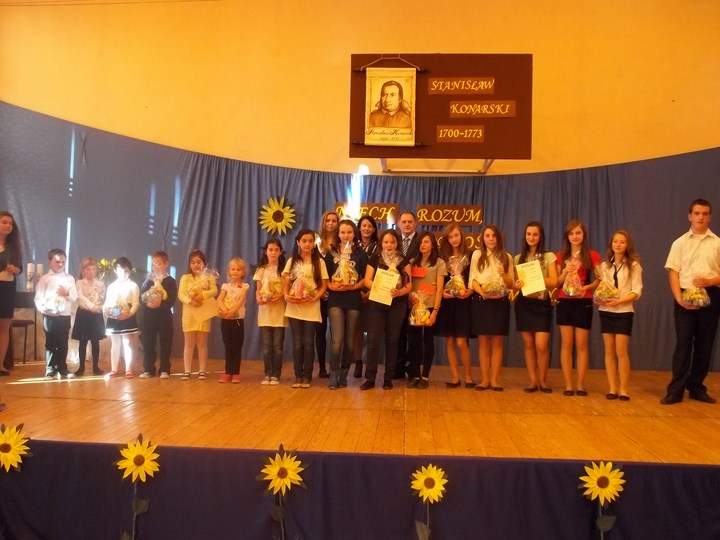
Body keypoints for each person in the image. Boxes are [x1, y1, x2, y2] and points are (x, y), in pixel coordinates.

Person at [661, 199, 720, 405]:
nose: (700, 217)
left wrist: (710, 281)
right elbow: (673, 272)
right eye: (697, 213)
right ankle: (675, 390)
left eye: (705, 213)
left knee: (705, 345)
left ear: (710, 217)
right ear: (690, 216)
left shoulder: (717, 243)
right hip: (685, 296)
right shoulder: (679, 243)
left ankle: (696, 387)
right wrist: (679, 298)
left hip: (711, 294)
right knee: (684, 343)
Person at [361, 229, 413, 390]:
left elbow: (409, 284)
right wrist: (378, 286)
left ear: (397, 243)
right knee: (373, 341)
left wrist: (399, 292)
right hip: (377, 304)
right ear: (381, 243)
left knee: (392, 341)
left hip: (397, 305)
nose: (389, 245)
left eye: (392, 242)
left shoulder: (403, 261)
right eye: (386, 242)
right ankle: (370, 378)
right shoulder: (374, 259)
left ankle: (388, 378)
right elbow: (366, 280)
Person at [556, 220, 602, 396]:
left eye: (578, 233)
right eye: (571, 234)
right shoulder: (560, 256)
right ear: (567, 237)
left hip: (584, 301)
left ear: (583, 235)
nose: (575, 236)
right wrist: (565, 271)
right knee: (566, 344)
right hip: (564, 301)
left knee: (582, 345)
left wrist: (586, 288)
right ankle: (568, 385)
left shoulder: (593, 255)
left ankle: (581, 385)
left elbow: (600, 279)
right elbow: (557, 282)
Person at [596, 230, 642, 401]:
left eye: (622, 242)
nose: (618, 245)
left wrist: (620, 301)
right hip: (606, 311)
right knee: (608, 350)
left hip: (624, 311)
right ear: (611, 244)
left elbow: (637, 291)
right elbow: (601, 289)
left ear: (627, 245)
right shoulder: (604, 266)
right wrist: (599, 298)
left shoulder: (634, 265)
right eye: (615, 241)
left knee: (621, 350)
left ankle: (623, 389)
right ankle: (612, 388)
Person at [513, 222, 558, 393]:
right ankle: (533, 380)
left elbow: (554, 282)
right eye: (528, 234)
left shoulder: (548, 256)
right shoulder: (518, 258)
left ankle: (543, 381)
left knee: (541, 345)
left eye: (535, 234)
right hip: (524, 304)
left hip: (542, 303)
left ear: (541, 236)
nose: (531, 237)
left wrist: (537, 277)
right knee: (528, 344)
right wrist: (516, 285)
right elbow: (516, 285)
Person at [470, 225, 514, 391]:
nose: (490, 239)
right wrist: (483, 293)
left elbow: (511, 284)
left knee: (497, 343)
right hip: (482, 301)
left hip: (500, 302)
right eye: (487, 236)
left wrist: (504, 275)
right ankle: (484, 380)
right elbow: (472, 279)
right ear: (483, 238)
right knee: (483, 343)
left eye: (493, 236)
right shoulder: (477, 255)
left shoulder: (507, 257)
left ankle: (495, 380)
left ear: (498, 238)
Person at [324, 219, 368, 389]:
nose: (346, 235)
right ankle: (333, 375)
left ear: (354, 234)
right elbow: (325, 278)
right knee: (337, 340)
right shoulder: (331, 253)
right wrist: (332, 286)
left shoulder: (360, 254)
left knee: (349, 341)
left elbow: (365, 278)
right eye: (342, 232)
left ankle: (344, 375)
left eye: (349, 232)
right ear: (338, 234)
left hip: (353, 299)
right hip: (335, 299)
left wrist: (354, 287)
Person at [283, 228, 329, 388]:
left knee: (309, 342)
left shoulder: (319, 262)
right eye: (304, 241)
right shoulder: (292, 261)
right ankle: (298, 375)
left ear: (314, 243)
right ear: (298, 242)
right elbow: (285, 283)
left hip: (311, 306)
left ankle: (307, 376)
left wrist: (315, 297)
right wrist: (287, 295)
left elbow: (324, 285)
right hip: (294, 306)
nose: (307, 244)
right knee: (297, 342)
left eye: (310, 241)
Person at [436, 224, 475, 388]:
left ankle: (468, 376)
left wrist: (469, 291)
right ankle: (454, 377)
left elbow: (475, 278)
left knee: (461, 342)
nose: (454, 239)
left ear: (461, 236)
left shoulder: (471, 255)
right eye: (450, 237)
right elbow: (438, 280)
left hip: (464, 302)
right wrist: (442, 294)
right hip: (448, 303)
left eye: (456, 235)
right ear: (446, 239)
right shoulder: (442, 257)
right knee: (450, 341)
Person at [406, 232, 446, 389]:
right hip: (415, 307)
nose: (422, 245)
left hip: (430, 307)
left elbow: (440, 289)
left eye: (426, 242)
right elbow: (408, 284)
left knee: (428, 340)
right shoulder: (412, 262)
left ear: (433, 244)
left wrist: (435, 311)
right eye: (421, 242)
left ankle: (425, 376)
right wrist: (411, 296)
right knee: (414, 341)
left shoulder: (439, 263)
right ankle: (415, 374)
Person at [35, 248, 77, 379]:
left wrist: (66, 293)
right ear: (49, 262)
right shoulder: (44, 279)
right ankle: (50, 369)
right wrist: (45, 309)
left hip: (64, 315)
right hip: (50, 315)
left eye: (63, 262)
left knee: (63, 342)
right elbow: (38, 298)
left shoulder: (69, 278)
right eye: (57, 262)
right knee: (51, 342)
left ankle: (62, 368)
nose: (60, 264)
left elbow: (74, 297)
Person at [178, 249, 218, 381]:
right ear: (189, 264)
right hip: (189, 313)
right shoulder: (185, 278)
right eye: (193, 262)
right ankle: (187, 371)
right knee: (188, 343)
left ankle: (202, 371)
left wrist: (203, 295)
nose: (196, 265)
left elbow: (214, 290)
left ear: (204, 263)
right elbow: (181, 294)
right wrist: (191, 301)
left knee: (202, 343)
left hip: (204, 312)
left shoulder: (209, 277)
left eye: (199, 262)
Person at [139, 251, 177, 380]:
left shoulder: (170, 281)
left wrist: (160, 303)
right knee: (148, 342)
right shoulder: (148, 280)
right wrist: (148, 303)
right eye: (153, 264)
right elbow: (142, 297)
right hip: (148, 316)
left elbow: (171, 300)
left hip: (164, 316)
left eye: (159, 264)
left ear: (166, 264)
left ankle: (164, 369)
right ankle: (148, 369)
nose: (155, 266)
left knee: (166, 342)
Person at [254, 239, 287, 385]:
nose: (273, 253)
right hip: (265, 311)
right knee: (267, 346)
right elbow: (258, 290)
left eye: (276, 250)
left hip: (279, 311)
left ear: (280, 252)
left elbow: (286, 289)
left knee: (278, 346)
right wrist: (259, 298)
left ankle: (276, 374)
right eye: (270, 249)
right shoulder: (261, 269)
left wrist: (279, 296)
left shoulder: (284, 270)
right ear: (266, 251)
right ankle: (267, 373)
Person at [103, 257, 140, 378]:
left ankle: (128, 369)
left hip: (128, 317)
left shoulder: (133, 285)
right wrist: (108, 311)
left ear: (130, 271)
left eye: (126, 271)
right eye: (120, 270)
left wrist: (129, 314)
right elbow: (107, 303)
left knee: (127, 344)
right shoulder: (111, 286)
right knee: (115, 344)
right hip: (114, 318)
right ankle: (113, 369)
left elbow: (136, 303)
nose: (123, 273)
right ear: (115, 271)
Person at [395, 211, 421, 379]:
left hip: (416, 294)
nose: (406, 224)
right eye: (403, 221)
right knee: (397, 334)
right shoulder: (393, 240)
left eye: (410, 221)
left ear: (415, 223)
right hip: (396, 294)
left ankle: (413, 370)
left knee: (414, 335)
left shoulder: (421, 240)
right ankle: (397, 368)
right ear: (398, 223)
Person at [353, 215, 379, 378]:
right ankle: (358, 362)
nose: (366, 228)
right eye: (364, 225)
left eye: (370, 226)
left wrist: (371, 291)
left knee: (373, 332)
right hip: (355, 291)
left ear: (374, 229)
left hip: (376, 292)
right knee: (357, 331)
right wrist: (357, 291)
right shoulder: (352, 247)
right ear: (359, 228)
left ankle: (371, 364)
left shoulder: (380, 248)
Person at [217, 257, 250, 383]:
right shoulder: (225, 286)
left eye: (238, 270)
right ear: (229, 271)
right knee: (228, 346)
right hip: (226, 320)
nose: (235, 272)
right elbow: (219, 299)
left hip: (237, 320)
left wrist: (232, 311)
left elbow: (240, 301)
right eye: (233, 269)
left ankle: (236, 372)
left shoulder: (244, 286)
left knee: (236, 347)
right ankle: (228, 372)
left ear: (243, 272)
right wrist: (225, 310)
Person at [72, 257, 106, 376]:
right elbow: (80, 297)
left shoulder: (100, 284)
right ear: (82, 271)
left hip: (96, 314)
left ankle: (96, 367)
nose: (91, 272)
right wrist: (91, 306)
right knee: (83, 341)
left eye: (93, 269)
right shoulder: (79, 283)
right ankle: (81, 367)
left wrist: (98, 306)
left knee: (95, 341)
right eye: (88, 269)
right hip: (84, 314)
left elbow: (103, 298)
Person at [315, 210, 339, 379]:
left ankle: (335, 367)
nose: (330, 223)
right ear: (323, 222)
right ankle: (322, 367)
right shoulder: (315, 242)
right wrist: (321, 290)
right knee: (320, 332)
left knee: (336, 333)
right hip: (319, 293)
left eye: (333, 220)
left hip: (337, 292)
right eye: (327, 220)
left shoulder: (342, 243)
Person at [0, 211, 22, 380]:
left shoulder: (13, 247)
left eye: (10, 223)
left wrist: (15, 269)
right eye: (4, 222)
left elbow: (20, 268)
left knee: (4, 328)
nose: (8, 226)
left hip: (8, 288)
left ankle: (0, 364)